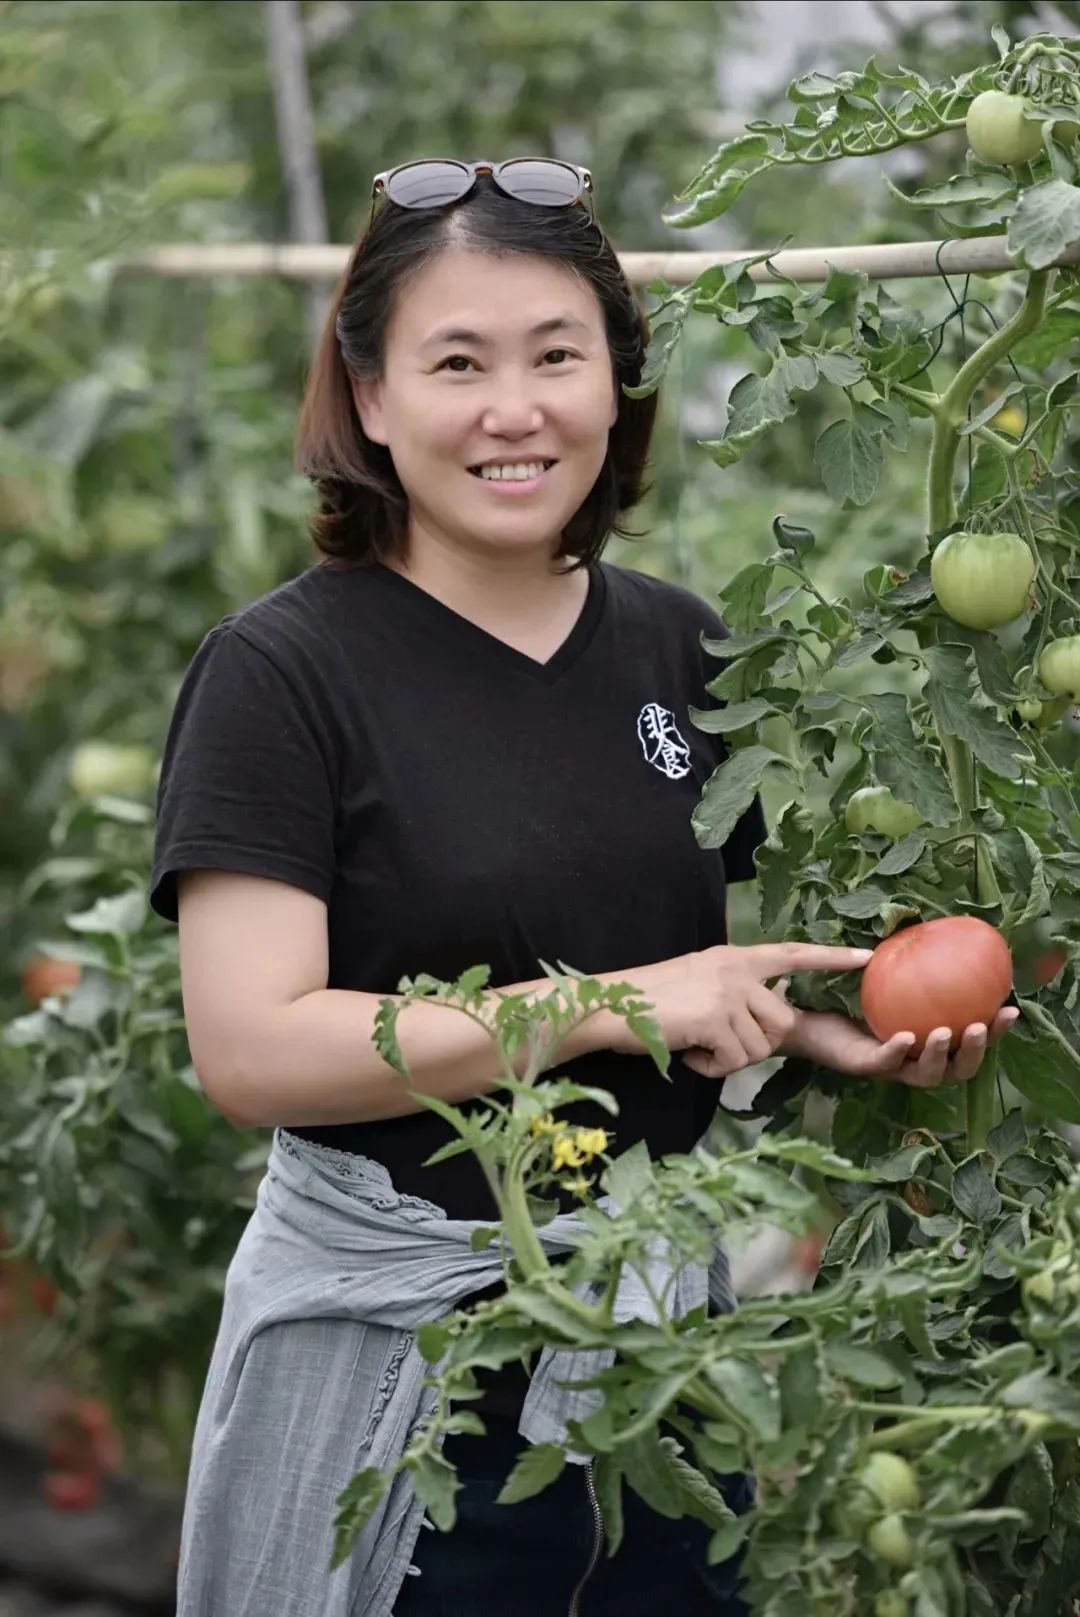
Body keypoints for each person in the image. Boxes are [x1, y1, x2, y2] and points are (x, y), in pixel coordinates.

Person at [148, 159, 1018, 1617]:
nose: (516, 407)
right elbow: (252, 1047)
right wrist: (612, 1007)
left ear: (618, 379)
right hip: (415, 1391)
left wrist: (804, 1021)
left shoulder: (682, 648)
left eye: (558, 355)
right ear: (368, 394)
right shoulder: (283, 674)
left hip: (668, 1368)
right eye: (458, 362)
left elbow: (683, 976)